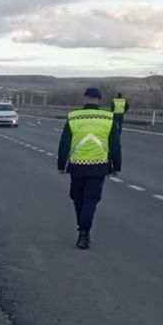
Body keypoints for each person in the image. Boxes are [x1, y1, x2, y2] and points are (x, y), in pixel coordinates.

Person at [57, 87, 122, 250]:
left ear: (85, 98)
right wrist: (116, 166)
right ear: (99, 100)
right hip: (99, 166)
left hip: (77, 166)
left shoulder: (74, 117)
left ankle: (82, 228)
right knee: (91, 200)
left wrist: (61, 165)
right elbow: (115, 145)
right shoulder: (108, 118)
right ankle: (84, 232)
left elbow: (64, 143)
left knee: (77, 198)